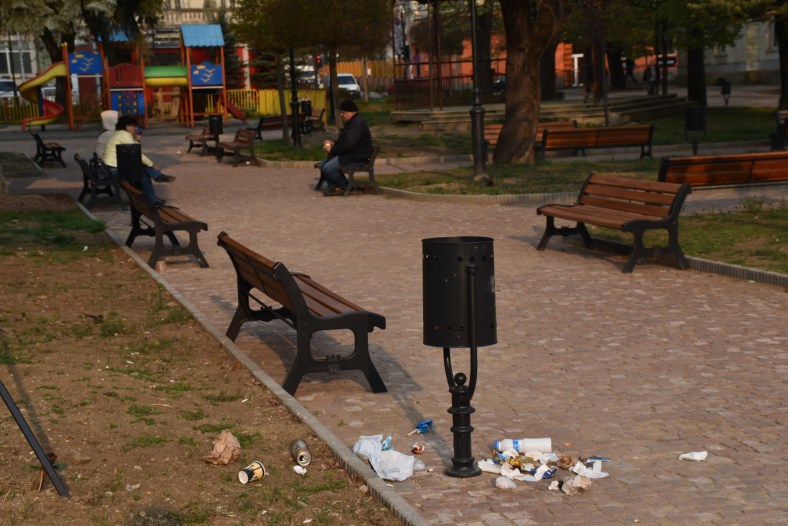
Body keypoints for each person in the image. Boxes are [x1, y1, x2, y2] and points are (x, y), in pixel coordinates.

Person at [103, 115, 175, 206]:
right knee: (142, 172)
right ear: (127, 126)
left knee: (141, 169)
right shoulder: (125, 135)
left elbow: (134, 152)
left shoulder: (118, 134)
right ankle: (153, 192)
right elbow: (136, 154)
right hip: (115, 170)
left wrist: (136, 139)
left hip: (111, 168)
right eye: (133, 126)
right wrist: (152, 164)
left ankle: (153, 194)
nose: (135, 128)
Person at [316, 99, 373, 197]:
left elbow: (348, 144)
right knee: (325, 164)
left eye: (343, 113)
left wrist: (332, 150)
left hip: (357, 157)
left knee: (328, 168)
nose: (342, 115)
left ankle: (347, 187)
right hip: (351, 154)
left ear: (350, 112)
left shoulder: (357, 124)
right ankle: (336, 187)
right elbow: (345, 141)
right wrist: (333, 142)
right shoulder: (353, 122)